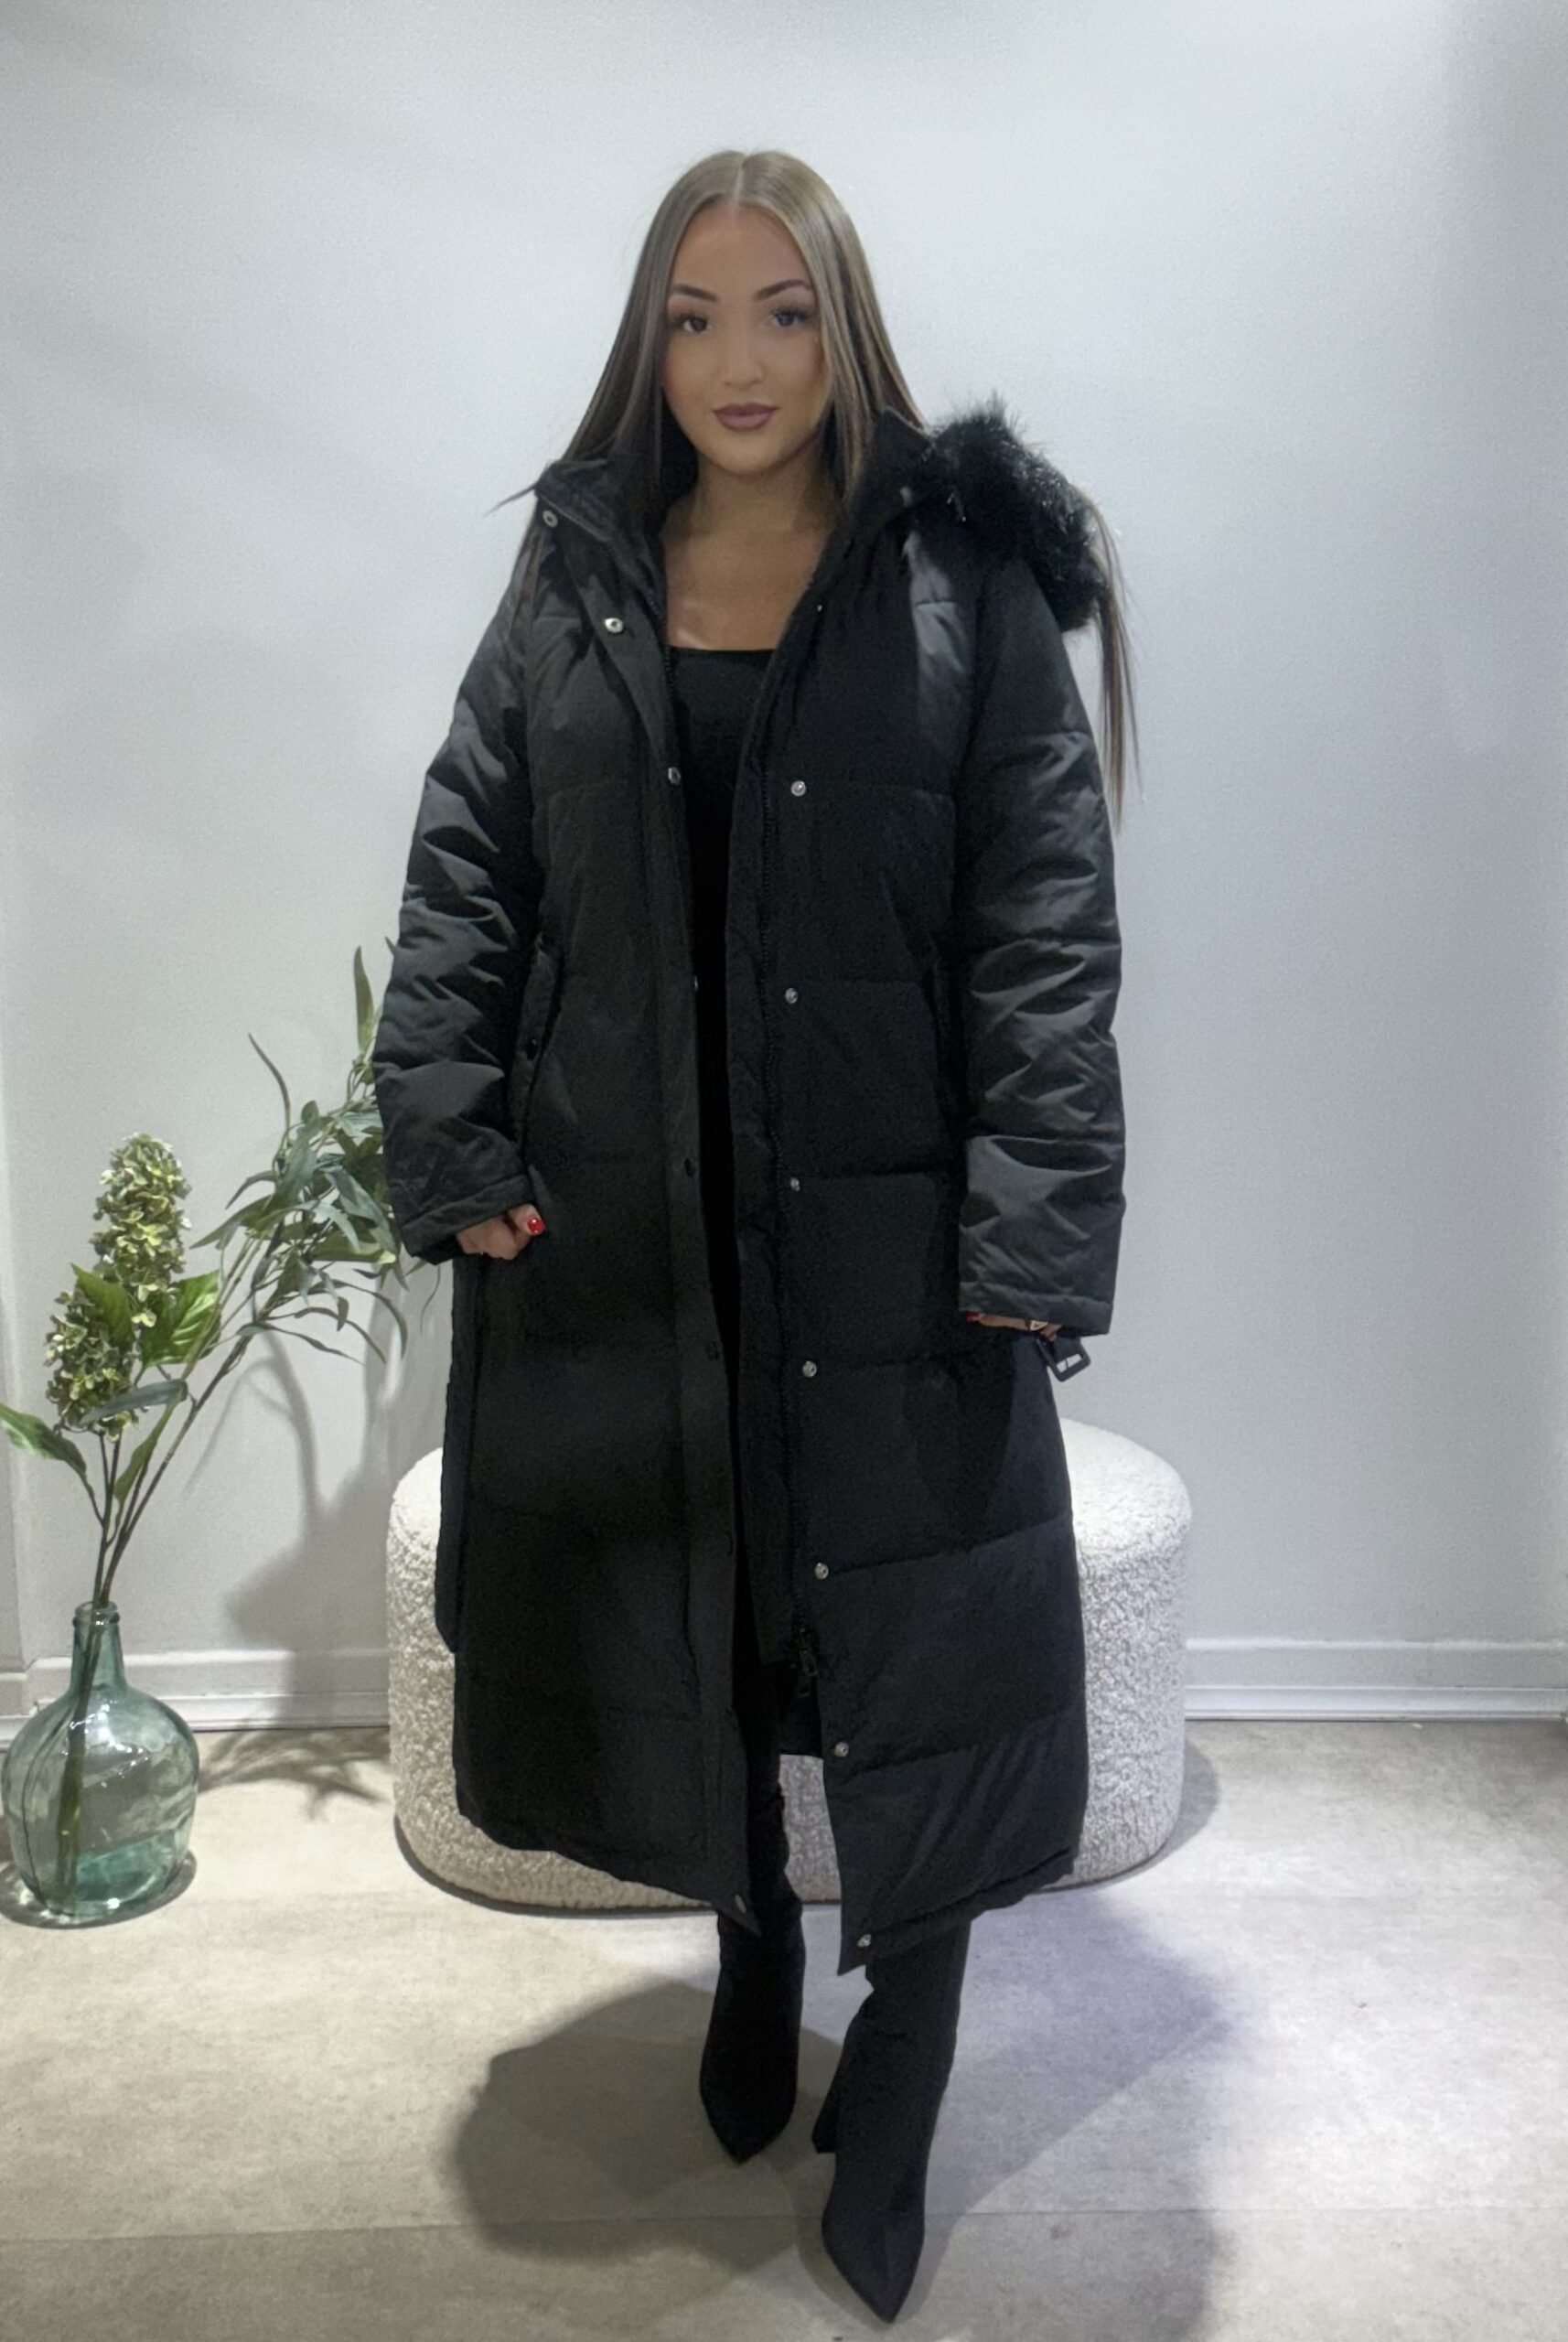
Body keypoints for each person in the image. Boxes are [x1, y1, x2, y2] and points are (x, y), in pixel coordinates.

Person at [372, 147, 1134, 2325]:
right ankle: (747, 1936)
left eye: (782, 312)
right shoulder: (580, 566)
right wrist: (449, 1132)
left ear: (842, 326)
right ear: (649, 336)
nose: (737, 360)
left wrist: (1031, 1220)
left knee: (914, 1636)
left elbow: (1042, 924)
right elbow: (466, 864)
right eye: (693, 315)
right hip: (639, 1230)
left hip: (889, 1242)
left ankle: (908, 2042)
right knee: (704, 1622)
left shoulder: (955, 577)